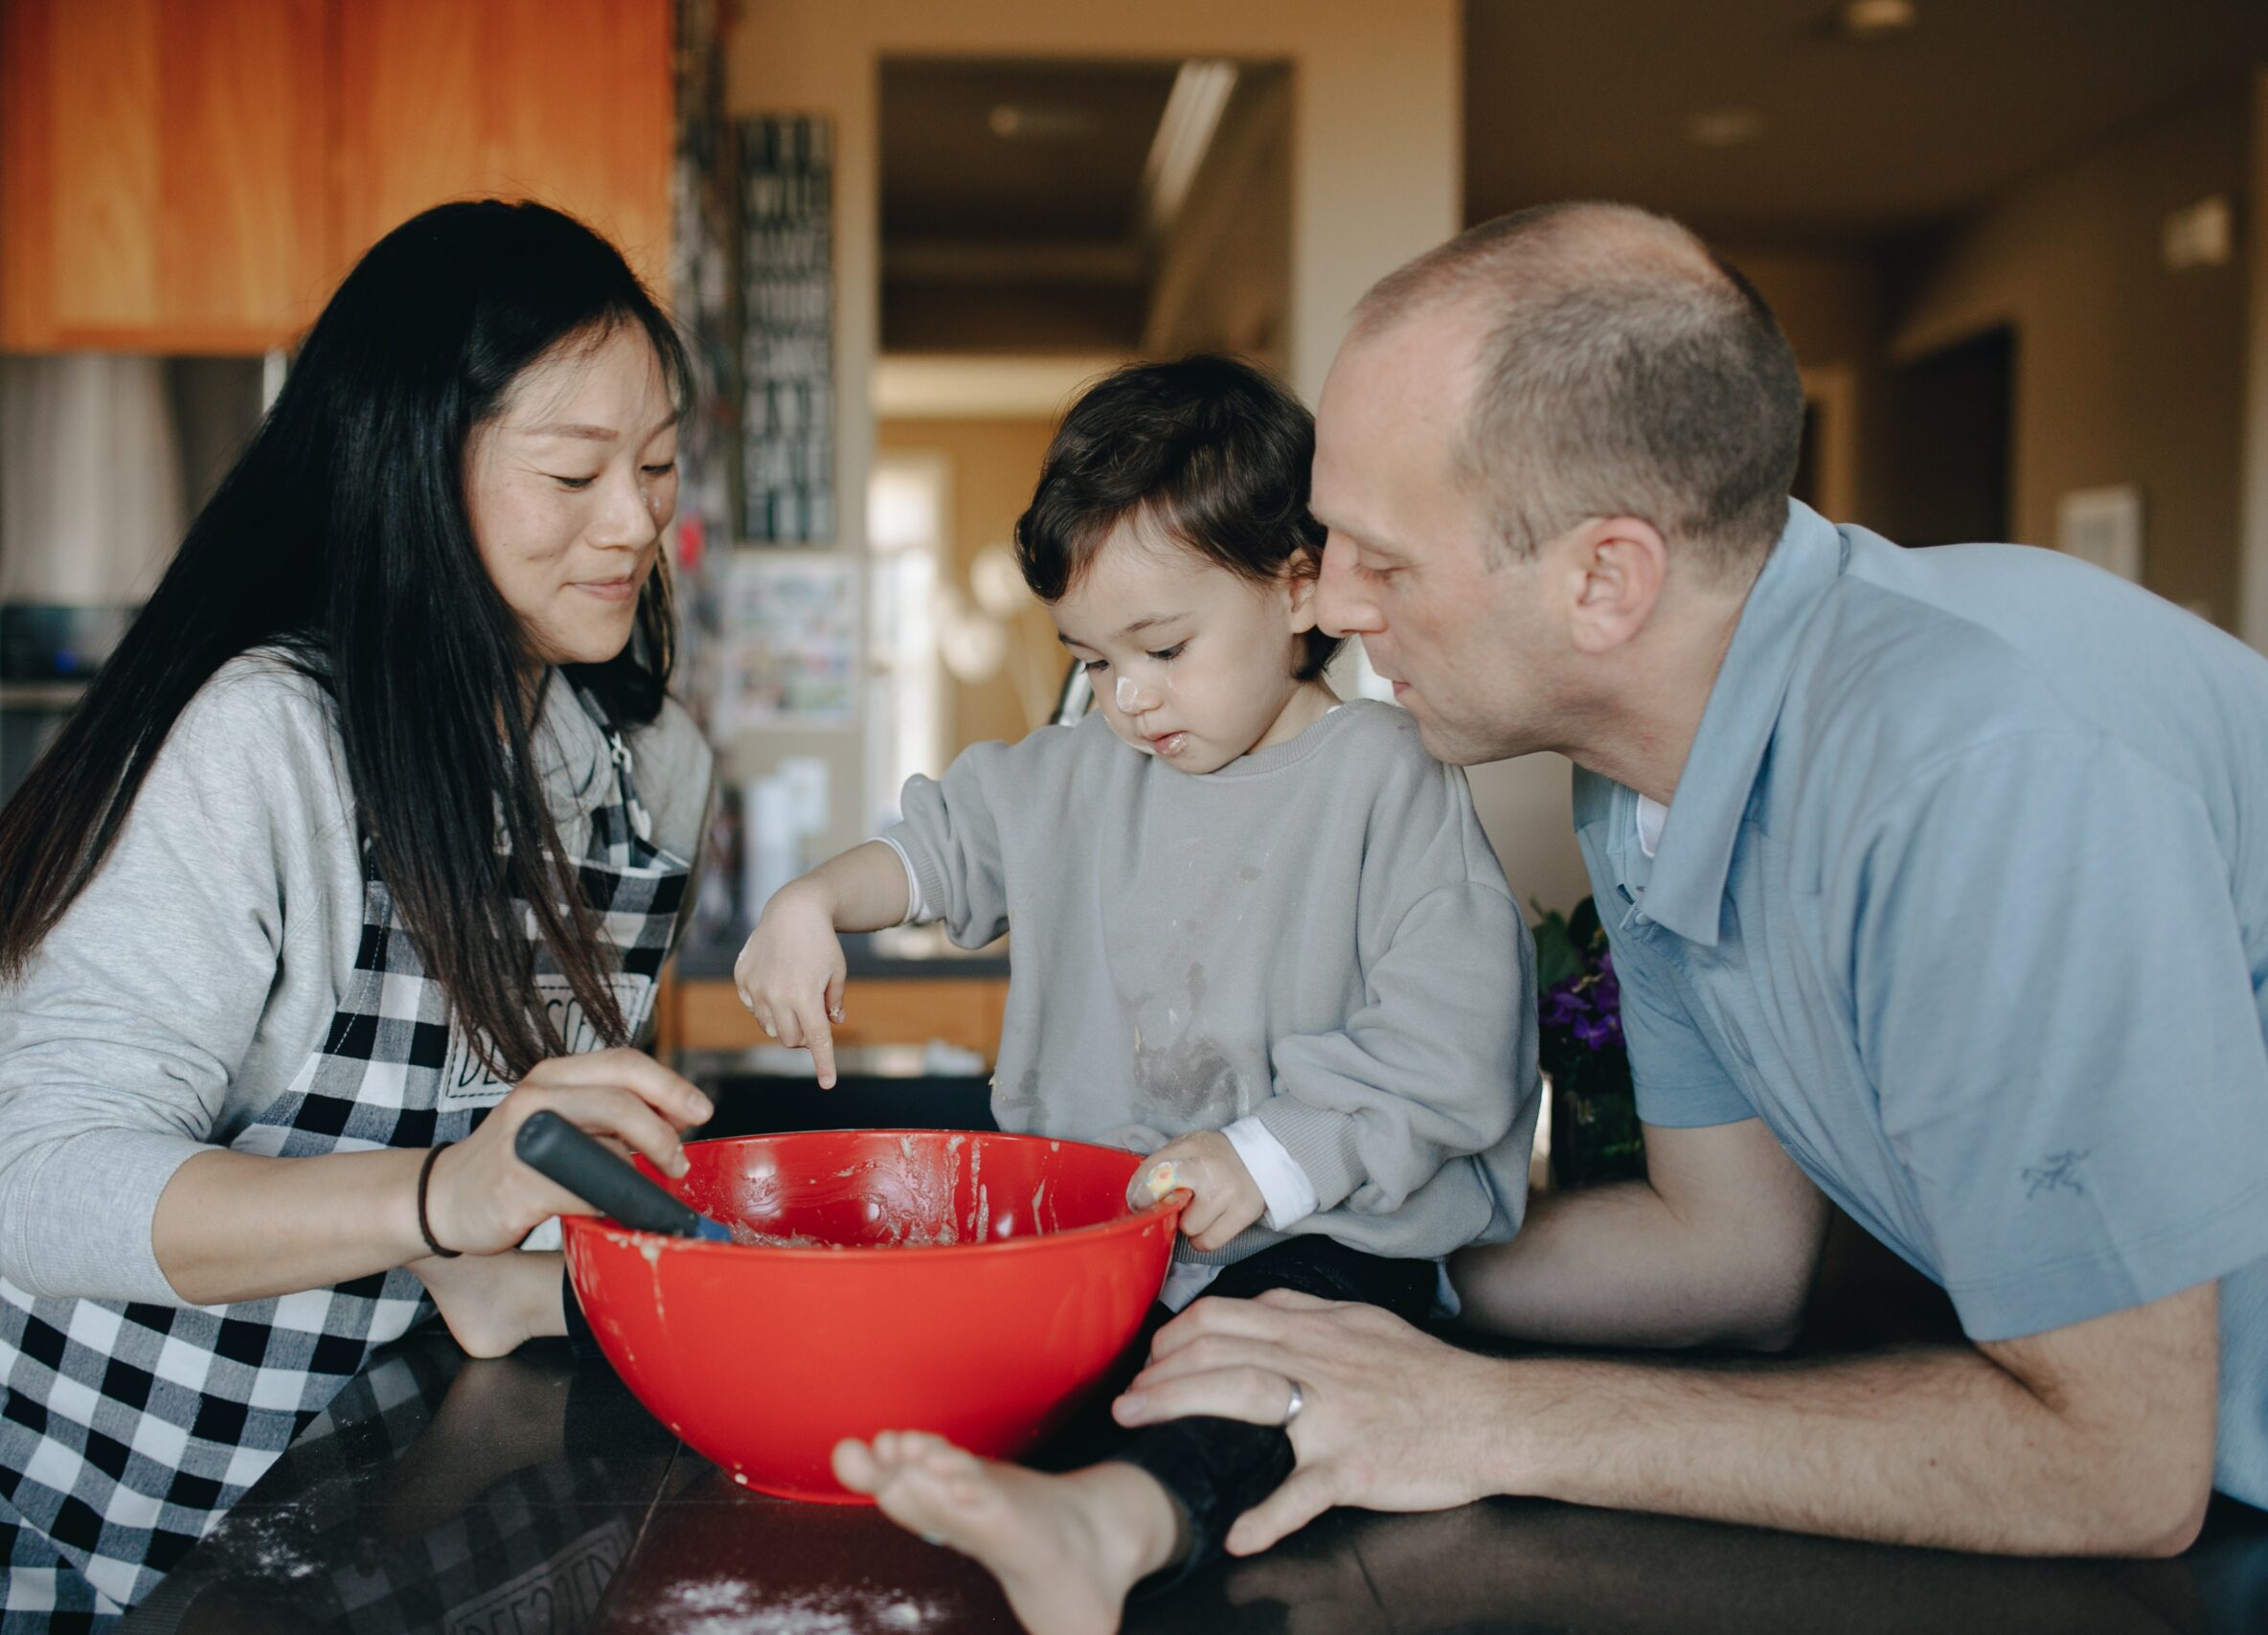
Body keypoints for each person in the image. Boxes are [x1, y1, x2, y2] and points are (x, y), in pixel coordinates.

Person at [1115, 201, 2268, 1564]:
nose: (1333, 607)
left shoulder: (1976, 767)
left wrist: (1485, 1416)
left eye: (1386, 559)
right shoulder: (1649, 772)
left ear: (1607, 580)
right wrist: (1287, 1243)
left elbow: (2119, 1468)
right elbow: (1731, 1258)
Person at [0, 200, 720, 1628]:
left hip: (301, 1476)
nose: (636, 521)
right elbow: (46, 1189)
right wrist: (444, 1193)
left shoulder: (644, 766)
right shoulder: (264, 740)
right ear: (418, 471)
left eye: (658, 463)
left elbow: (491, 1244)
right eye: (575, 472)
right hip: (32, 1470)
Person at [734, 355, 1538, 1635]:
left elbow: (1453, 1048)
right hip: (1089, 1230)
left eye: (1161, 648)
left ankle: (1108, 1531)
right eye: (1093, 662)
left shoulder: (1384, 779)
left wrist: (1264, 1158)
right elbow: (941, 849)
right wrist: (813, 902)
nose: (1129, 700)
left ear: (1296, 585)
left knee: (1255, 1373)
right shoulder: (1077, 770)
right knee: (919, 1313)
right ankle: (539, 1297)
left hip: (1315, 1236)